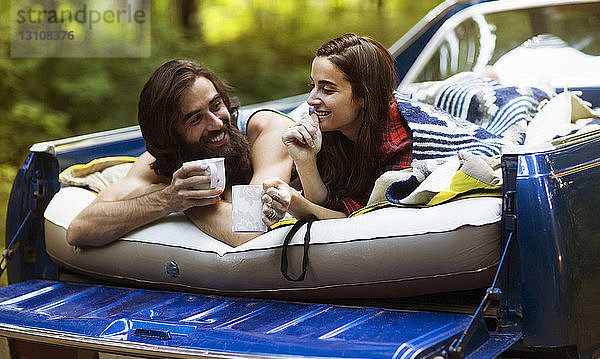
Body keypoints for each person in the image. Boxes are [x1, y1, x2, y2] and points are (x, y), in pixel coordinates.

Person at [67, 59, 293, 247]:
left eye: (216, 106)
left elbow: (249, 230)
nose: (216, 123)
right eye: (195, 119)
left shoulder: (268, 131)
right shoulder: (163, 159)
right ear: (171, 135)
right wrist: (168, 199)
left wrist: (189, 202)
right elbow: (79, 230)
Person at [260, 34, 413, 223]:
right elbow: (329, 206)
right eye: (313, 85)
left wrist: (297, 202)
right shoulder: (331, 130)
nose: (311, 100)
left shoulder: (402, 144)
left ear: (364, 97)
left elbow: (365, 222)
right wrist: (305, 162)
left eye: (327, 90)